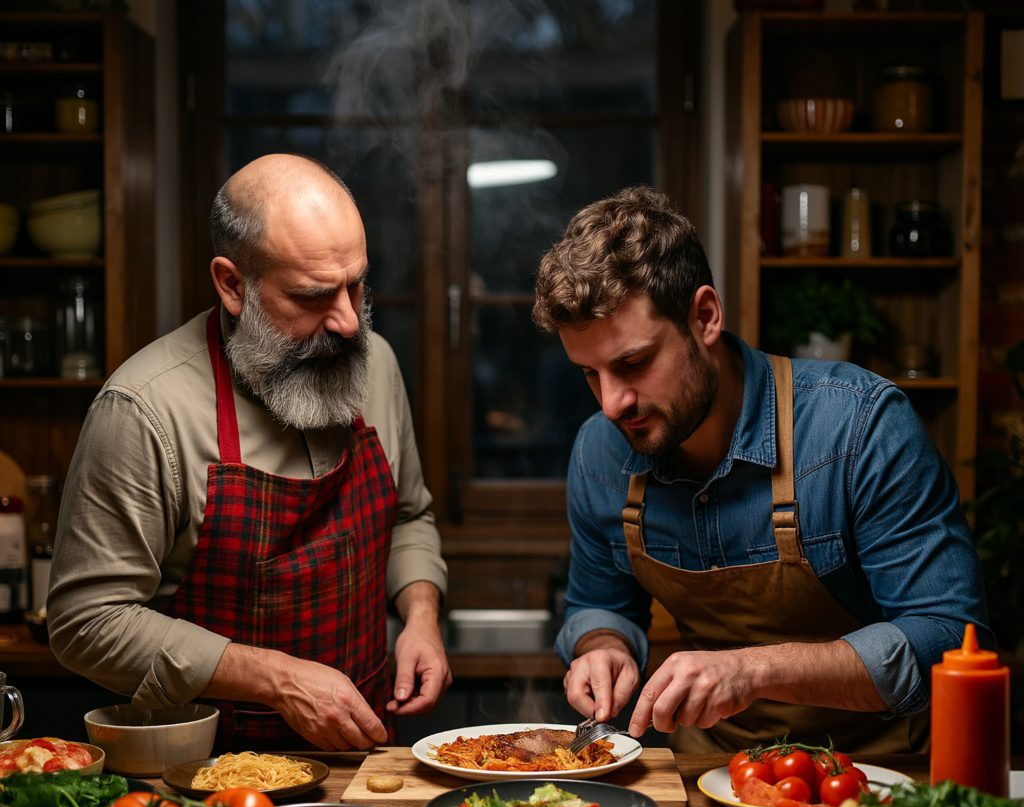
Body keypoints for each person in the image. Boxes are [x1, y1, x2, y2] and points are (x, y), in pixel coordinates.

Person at [532, 184, 990, 754]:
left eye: (633, 362)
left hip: (877, 777)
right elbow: (600, 602)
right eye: (591, 373)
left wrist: (755, 670)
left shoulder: (857, 427)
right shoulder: (600, 454)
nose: (612, 403)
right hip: (708, 776)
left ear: (704, 316)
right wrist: (603, 646)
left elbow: (949, 641)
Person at [48, 154, 450, 752]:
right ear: (232, 285)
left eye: (357, 284)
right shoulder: (145, 409)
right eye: (313, 296)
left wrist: (420, 614)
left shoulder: (376, 365)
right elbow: (87, 621)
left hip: (363, 759)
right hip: (203, 779)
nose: (346, 322)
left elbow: (409, 516)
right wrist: (278, 680)